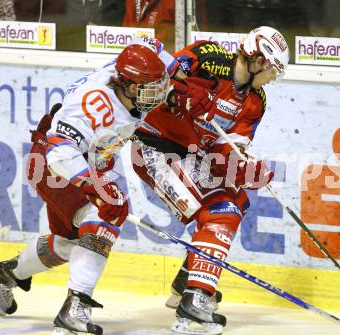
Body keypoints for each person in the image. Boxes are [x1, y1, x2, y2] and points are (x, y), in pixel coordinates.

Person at [0, 37, 176, 335]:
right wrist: (95, 190)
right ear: (128, 85)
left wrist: (176, 72)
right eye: (150, 88)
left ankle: (4, 273)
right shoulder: (95, 106)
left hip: (92, 160)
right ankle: (76, 307)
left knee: (71, 244)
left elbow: (149, 43)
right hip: (55, 166)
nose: (157, 95)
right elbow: (59, 152)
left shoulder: (125, 78)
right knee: (106, 215)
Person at [130, 26, 289, 334]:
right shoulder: (208, 57)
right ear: (256, 59)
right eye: (271, 69)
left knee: (237, 200)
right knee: (220, 211)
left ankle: (188, 285)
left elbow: (226, 149)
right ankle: (195, 300)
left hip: (192, 155)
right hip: (154, 146)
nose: (272, 77)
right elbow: (155, 76)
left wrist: (246, 169)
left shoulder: (256, 102)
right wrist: (181, 95)